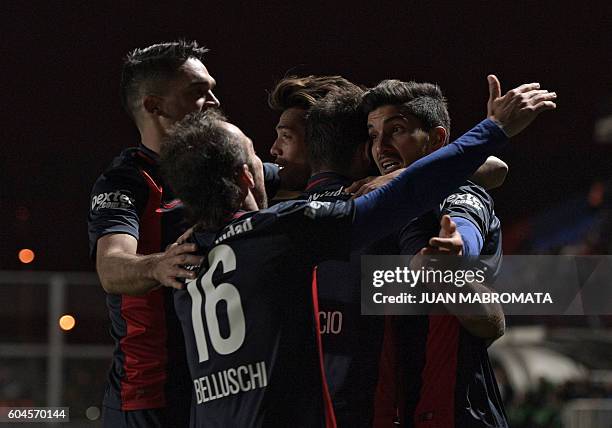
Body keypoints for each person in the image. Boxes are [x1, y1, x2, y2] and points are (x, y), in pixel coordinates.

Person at [159, 77, 555, 426]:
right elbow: (427, 195)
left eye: (284, 137)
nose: (272, 153)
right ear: (248, 175)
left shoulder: (189, 254)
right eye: (260, 152)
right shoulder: (291, 226)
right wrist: (494, 129)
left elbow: (466, 206)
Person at [357, 76, 556, 427]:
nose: (381, 147)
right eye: (374, 135)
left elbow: (464, 222)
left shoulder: (459, 193)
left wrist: (455, 253)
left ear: (436, 139)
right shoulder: (378, 207)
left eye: (397, 130)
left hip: (458, 414)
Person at [87, 40, 224, 428]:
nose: (213, 101)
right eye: (198, 92)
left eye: (212, 89)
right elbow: (111, 267)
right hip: (151, 396)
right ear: (153, 106)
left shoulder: (223, 170)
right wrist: (158, 266)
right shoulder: (127, 180)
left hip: (221, 388)